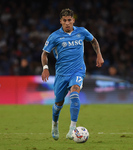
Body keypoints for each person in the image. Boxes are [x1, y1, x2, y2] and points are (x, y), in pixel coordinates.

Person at [41, 8, 104, 140]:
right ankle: (55, 124)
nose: (67, 23)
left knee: (74, 94)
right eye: (65, 20)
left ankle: (72, 129)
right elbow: (44, 53)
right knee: (58, 104)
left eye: (69, 20)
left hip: (78, 70)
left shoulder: (81, 31)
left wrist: (99, 54)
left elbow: (94, 41)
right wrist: (45, 67)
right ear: (61, 21)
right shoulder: (54, 36)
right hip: (62, 74)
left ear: (73, 20)